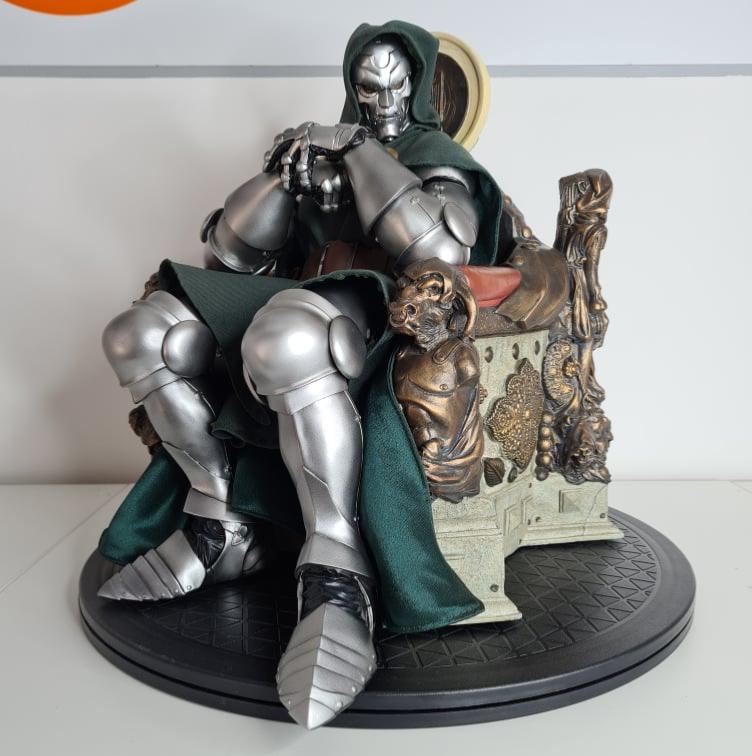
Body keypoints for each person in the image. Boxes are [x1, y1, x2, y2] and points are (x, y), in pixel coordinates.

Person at [97, 20, 505, 728]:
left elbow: (438, 248)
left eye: (395, 86)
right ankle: (221, 520)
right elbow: (231, 256)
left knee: (285, 339)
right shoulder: (320, 143)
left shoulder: (438, 160)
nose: (381, 100)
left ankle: (338, 569)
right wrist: (283, 175)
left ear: (420, 86)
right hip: (294, 289)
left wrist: (359, 150)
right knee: (142, 335)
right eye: (367, 87)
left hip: (382, 304)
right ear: (352, 85)